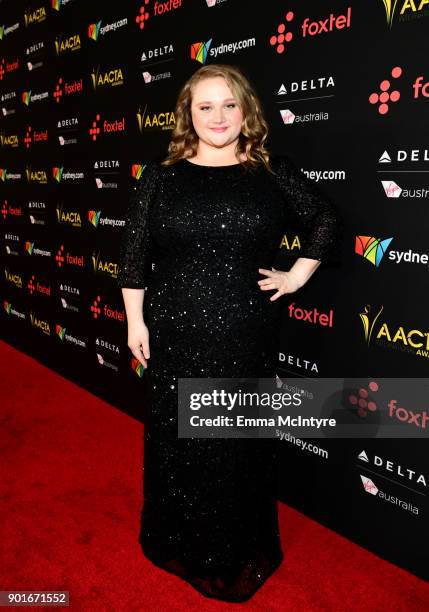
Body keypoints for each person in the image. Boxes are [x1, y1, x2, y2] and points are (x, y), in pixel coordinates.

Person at [117, 63, 342, 603]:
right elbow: (133, 259)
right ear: (187, 115)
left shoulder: (271, 171)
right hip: (174, 332)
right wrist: (134, 322)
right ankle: (179, 540)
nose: (218, 117)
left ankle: (234, 549)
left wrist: (295, 276)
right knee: (180, 442)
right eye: (205, 106)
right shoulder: (161, 177)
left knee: (235, 445)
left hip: (245, 332)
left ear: (247, 111)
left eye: (229, 105)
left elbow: (325, 220)